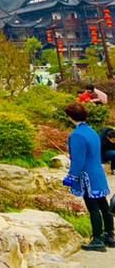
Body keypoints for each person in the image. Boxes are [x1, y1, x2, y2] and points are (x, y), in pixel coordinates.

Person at [63, 103, 115, 251]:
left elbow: (78, 161)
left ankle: (97, 239)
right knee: (104, 206)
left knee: (93, 207)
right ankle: (110, 235)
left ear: (70, 117)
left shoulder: (76, 135)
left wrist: (71, 177)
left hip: (87, 176)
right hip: (98, 173)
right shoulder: (92, 131)